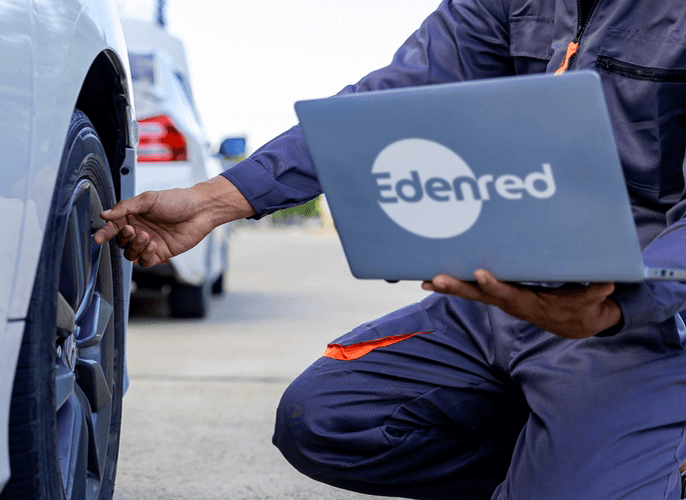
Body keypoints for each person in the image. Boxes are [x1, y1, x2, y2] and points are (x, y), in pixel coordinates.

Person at [95, 0, 686, 498]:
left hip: (635, 315)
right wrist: (215, 200)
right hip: (502, 294)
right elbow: (393, 98)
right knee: (324, 418)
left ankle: (640, 450)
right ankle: (561, 450)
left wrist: (624, 303)